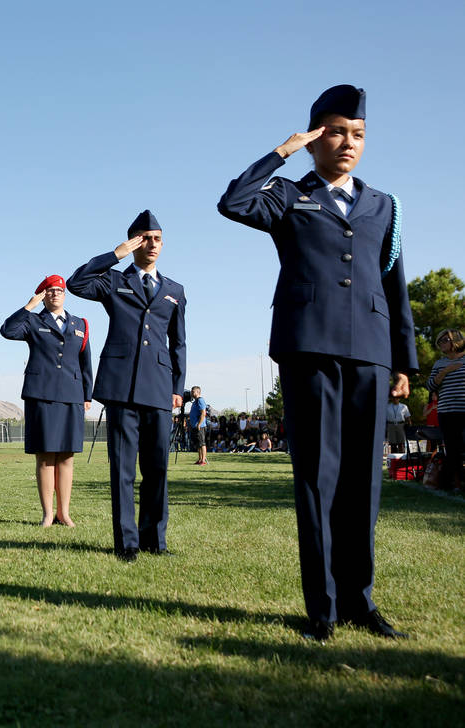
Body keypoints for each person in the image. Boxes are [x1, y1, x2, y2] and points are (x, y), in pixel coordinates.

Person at [217, 84, 418, 641]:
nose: (347, 143)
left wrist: (405, 359)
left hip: (372, 354)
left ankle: (362, 601)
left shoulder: (385, 205)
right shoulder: (287, 194)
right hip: (308, 347)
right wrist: (281, 152)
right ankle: (323, 610)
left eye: (357, 134)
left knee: (364, 482)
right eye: (335, 132)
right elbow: (233, 202)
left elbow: (393, 283)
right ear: (314, 139)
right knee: (317, 478)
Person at [67, 210, 186, 561]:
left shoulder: (174, 290)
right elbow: (77, 283)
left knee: (158, 468)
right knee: (122, 469)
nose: (152, 245)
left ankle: (155, 540)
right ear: (134, 241)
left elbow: (179, 342)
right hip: (121, 388)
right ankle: (127, 543)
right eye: (145, 238)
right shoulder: (114, 282)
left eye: (158, 239)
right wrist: (115, 254)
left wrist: (178, 386)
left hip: (160, 387)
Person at [0, 275, 93, 526]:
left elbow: (86, 363)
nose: (55, 294)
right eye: (50, 291)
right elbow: (7, 331)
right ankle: (47, 514)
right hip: (41, 394)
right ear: (43, 294)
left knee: (66, 456)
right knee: (44, 455)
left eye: (59, 290)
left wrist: (87, 394)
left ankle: (64, 512)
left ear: (65, 294)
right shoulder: (32, 321)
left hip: (71, 395)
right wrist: (29, 305)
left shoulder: (81, 324)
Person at [426, 328, 465, 492]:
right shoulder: (439, 363)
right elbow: (430, 386)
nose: (441, 344)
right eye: (439, 341)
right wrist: (445, 372)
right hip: (447, 411)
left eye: (445, 340)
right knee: (453, 448)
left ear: (455, 340)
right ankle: (457, 484)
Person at [188, 386, 208, 465]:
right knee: (198, 444)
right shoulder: (195, 401)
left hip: (200, 426)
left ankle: (203, 460)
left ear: (198, 392)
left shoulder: (200, 400)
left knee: (202, 443)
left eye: (193, 392)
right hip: (194, 426)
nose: (192, 393)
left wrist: (199, 424)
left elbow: (203, 413)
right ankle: (199, 459)